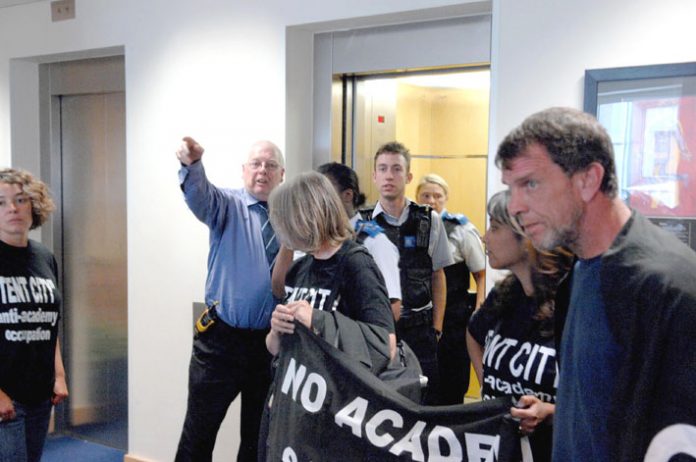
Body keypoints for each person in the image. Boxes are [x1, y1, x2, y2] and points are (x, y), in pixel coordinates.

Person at [497, 107, 696, 461]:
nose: (515, 206)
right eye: (511, 189)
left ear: (588, 180)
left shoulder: (669, 287)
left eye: (530, 184)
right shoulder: (581, 274)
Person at [174, 137, 284, 462]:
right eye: (256, 164)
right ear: (244, 171)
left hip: (270, 347)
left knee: (257, 440)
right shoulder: (226, 205)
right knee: (199, 435)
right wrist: (192, 166)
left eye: (270, 165)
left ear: (282, 174)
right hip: (221, 343)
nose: (262, 170)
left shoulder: (290, 217)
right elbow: (199, 195)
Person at [466, 190, 572, 462]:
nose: (485, 237)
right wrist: (490, 389)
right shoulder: (505, 295)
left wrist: (548, 412)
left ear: (527, 236)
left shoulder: (572, 302)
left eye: (495, 227)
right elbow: (473, 333)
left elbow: (603, 404)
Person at [359, 142, 453, 405]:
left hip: (420, 332)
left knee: (424, 404)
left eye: (397, 169)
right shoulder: (358, 224)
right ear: (374, 176)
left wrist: (437, 328)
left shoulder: (429, 220)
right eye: (383, 169)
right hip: (376, 332)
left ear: (409, 176)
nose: (389, 175)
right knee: (378, 404)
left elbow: (438, 275)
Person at [265, 171, 395, 359]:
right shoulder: (298, 269)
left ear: (306, 218)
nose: (282, 230)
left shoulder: (356, 264)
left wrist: (317, 320)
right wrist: (276, 331)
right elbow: (275, 348)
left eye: (286, 221)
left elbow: (385, 345)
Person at [0, 168, 69, 462]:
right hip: (5, 393)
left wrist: (59, 375)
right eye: (0, 202)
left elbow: (49, 323)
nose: (12, 208)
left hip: (40, 393)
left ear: (34, 205)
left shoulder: (45, 258)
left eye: (20, 199)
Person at [416, 173, 486, 405]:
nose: (431, 200)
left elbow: (480, 274)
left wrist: (478, 312)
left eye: (437, 196)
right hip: (420, 315)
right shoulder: (410, 227)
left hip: (454, 317)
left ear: (446, 198)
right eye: (426, 195)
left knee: (452, 378)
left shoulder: (460, 229)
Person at [316, 162, 402, 321]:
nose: (316, 201)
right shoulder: (317, 240)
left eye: (323, 193)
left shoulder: (374, 242)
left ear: (347, 195)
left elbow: (392, 307)